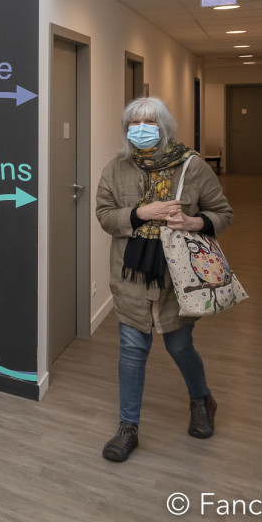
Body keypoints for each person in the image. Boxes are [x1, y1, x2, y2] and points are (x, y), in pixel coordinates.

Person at [95, 97, 233, 462]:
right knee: (132, 349)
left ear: (165, 126)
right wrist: (142, 213)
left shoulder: (194, 167)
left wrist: (192, 222)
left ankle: (202, 399)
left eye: (148, 122)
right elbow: (105, 216)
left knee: (179, 347)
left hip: (178, 280)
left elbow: (222, 213)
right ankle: (128, 427)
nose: (140, 129)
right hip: (131, 276)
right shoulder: (115, 169)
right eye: (133, 123)